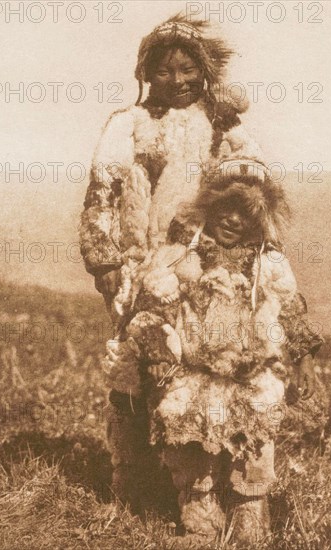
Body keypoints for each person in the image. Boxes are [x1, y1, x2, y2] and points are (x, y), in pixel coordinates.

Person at [79, 15, 268, 512]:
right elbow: (103, 192)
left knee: (201, 375)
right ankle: (135, 482)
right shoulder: (128, 124)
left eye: (188, 70)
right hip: (138, 267)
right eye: (164, 71)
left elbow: (250, 194)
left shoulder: (221, 129)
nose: (178, 80)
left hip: (206, 270)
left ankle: (206, 487)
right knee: (133, 366)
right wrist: (105, 260)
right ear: (146, 73)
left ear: (205, 72)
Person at [112, 159, 323, 545]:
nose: (232, 220)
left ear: (259, 220)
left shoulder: (267, 262)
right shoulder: (178, 256)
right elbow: (151, 310)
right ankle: (201, 530)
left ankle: (250, 529)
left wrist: (304, 358)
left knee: (253, 454)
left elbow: (291, 310)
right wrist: (158, 351)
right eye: (225, 208)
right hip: (194, 377)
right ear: (208, 207)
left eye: (245, 213)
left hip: (250, 378)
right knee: (196, 462)